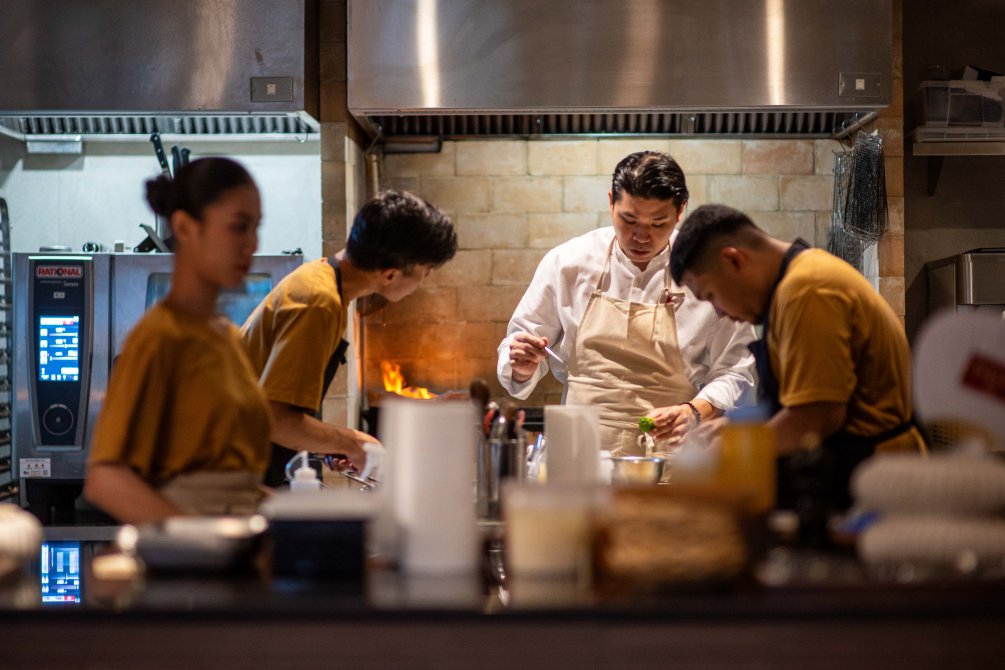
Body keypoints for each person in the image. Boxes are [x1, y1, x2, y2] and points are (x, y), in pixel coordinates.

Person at [668, 203, 926, 509]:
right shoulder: (797, 282)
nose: (720, 313)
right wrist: (742, 430)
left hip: (877, 487)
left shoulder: (807, 289)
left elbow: (817, 415)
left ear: (734, 260)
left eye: (711, 296)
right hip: (863, 476)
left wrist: (732, 450)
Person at [497, 151, 756, 454]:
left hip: (672, 456)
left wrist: (694, 411)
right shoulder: (567, 262)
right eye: (629, 220)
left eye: (658, 223)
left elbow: (736, 371)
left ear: (680, 212)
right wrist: (522, 364)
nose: (641, 236)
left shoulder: (709, 272)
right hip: (577, 455)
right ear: (611, 202)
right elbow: (519, 343)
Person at [85, 157, 273, 522]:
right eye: (239, 227)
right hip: (192, 553)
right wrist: (197, 539)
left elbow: (231, 480)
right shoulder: (160, 338)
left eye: (256, 228)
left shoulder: (228, 339)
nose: (252, 244)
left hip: (237, 542)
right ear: (186, 228)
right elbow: (105, 480)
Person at [241, 189, 458, 487]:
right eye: (426, 271)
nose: (424, 281)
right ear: (390, 274)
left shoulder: (323, 282)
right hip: (222, 470)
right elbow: (275, 419)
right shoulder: (319, 301)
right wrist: (354, 442)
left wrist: (328, 444)